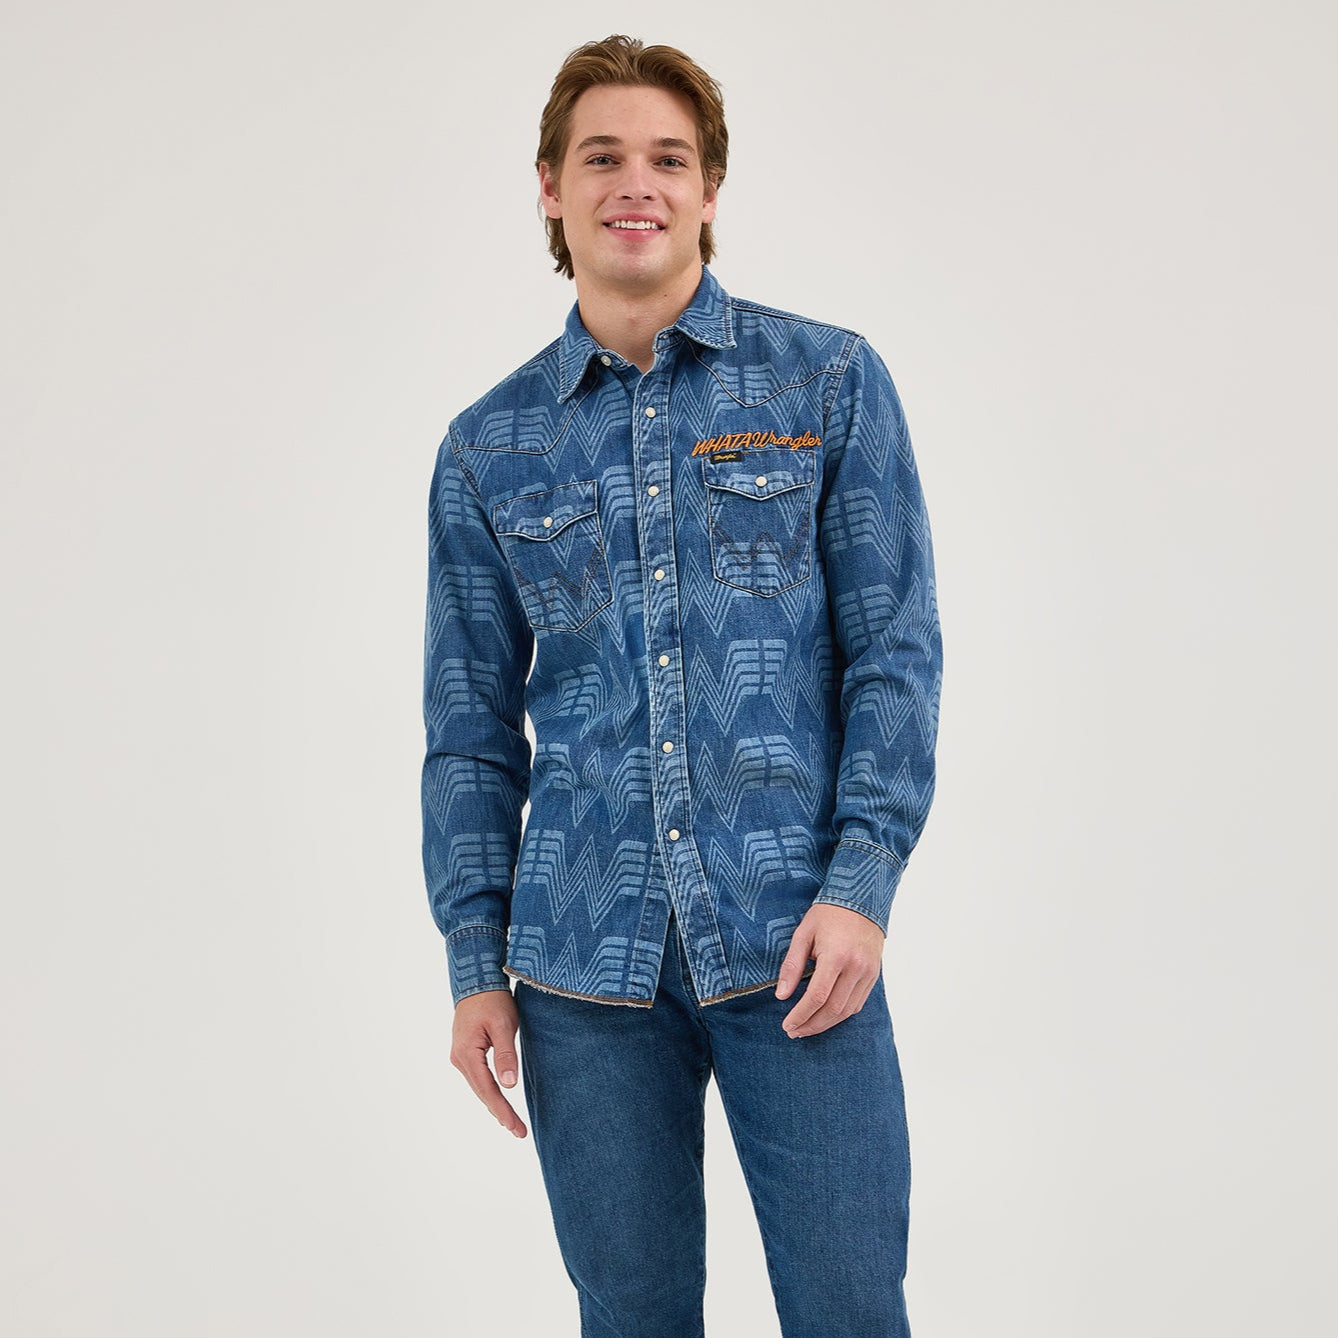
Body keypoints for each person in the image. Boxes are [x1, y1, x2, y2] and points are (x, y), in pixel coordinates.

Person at [420, 33, 943, 1337]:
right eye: (601, 157)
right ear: (551, 188)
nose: (634, 182)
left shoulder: (826, 382)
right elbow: (470, 731)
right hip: (578, 967)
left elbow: (893, 652)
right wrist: (474, 962)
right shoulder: (489, 445)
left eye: (667, 157)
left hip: (797, 943)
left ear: (710, 188)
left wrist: (861, 884)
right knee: (630, 1315)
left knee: (849, 1306)